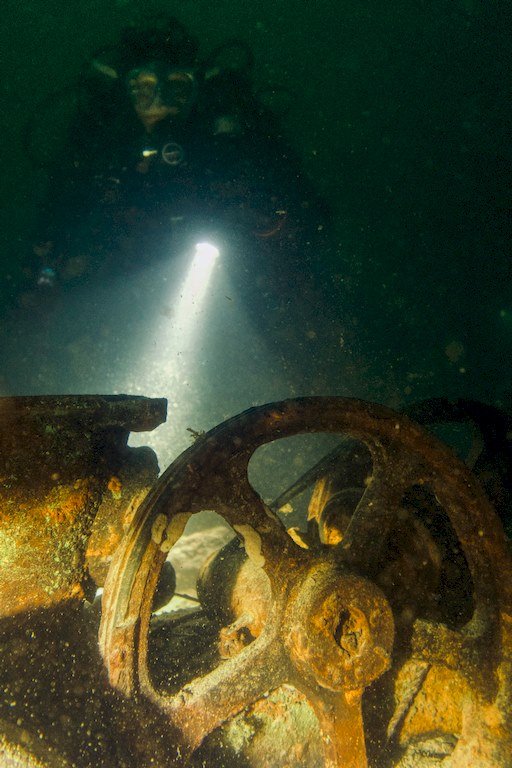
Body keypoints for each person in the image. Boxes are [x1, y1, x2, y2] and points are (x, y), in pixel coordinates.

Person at [23, 16, 330, 298]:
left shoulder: (221, 136)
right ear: (125, 91)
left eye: (177, 88)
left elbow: (300, 205)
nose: (160, 103)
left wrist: (263, 212)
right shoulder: (103, 138)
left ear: (196, 89)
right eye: (145, 89)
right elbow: (58, 211)